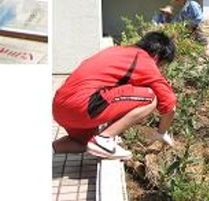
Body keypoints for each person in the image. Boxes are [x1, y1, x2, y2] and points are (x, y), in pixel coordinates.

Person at [52, 31, 177, 160]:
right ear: (157, 56)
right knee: (151, 98)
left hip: (59, 109)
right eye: (161, 65)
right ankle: (104, 140)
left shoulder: (116, 51)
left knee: (82, 143)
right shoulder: (143, 60)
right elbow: (170, 104)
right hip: (81, 106)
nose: (159, 68)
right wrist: (162, 133)